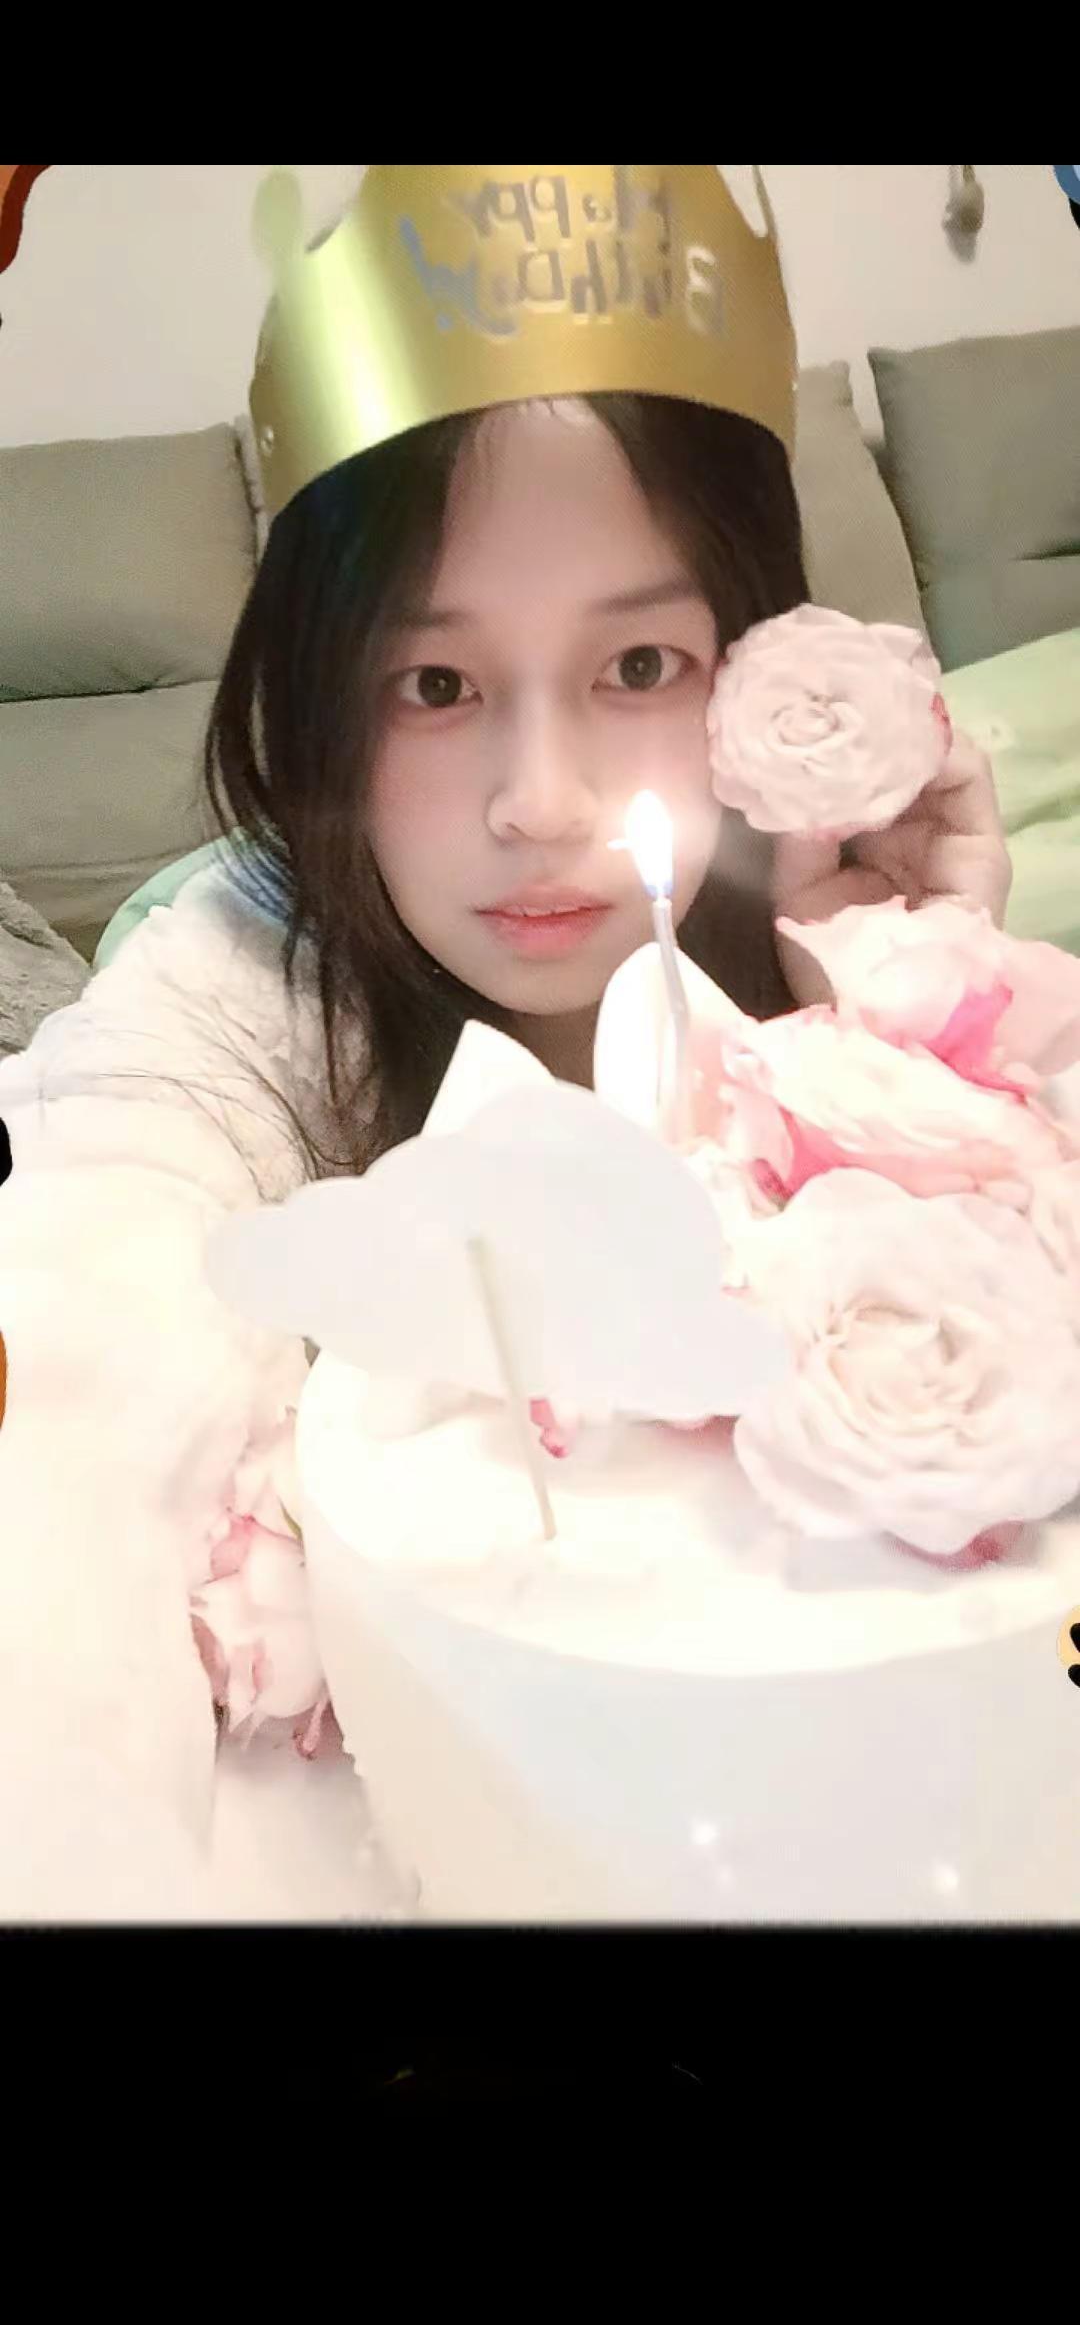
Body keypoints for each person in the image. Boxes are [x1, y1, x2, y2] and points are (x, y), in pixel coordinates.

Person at [0, 166, 1010, 1917]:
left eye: (640, 668)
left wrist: (925, 1011)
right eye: (437, 685)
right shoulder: (240, 989)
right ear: (321, 699)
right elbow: (84, 1350)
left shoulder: (823, 915)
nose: (541, 805)